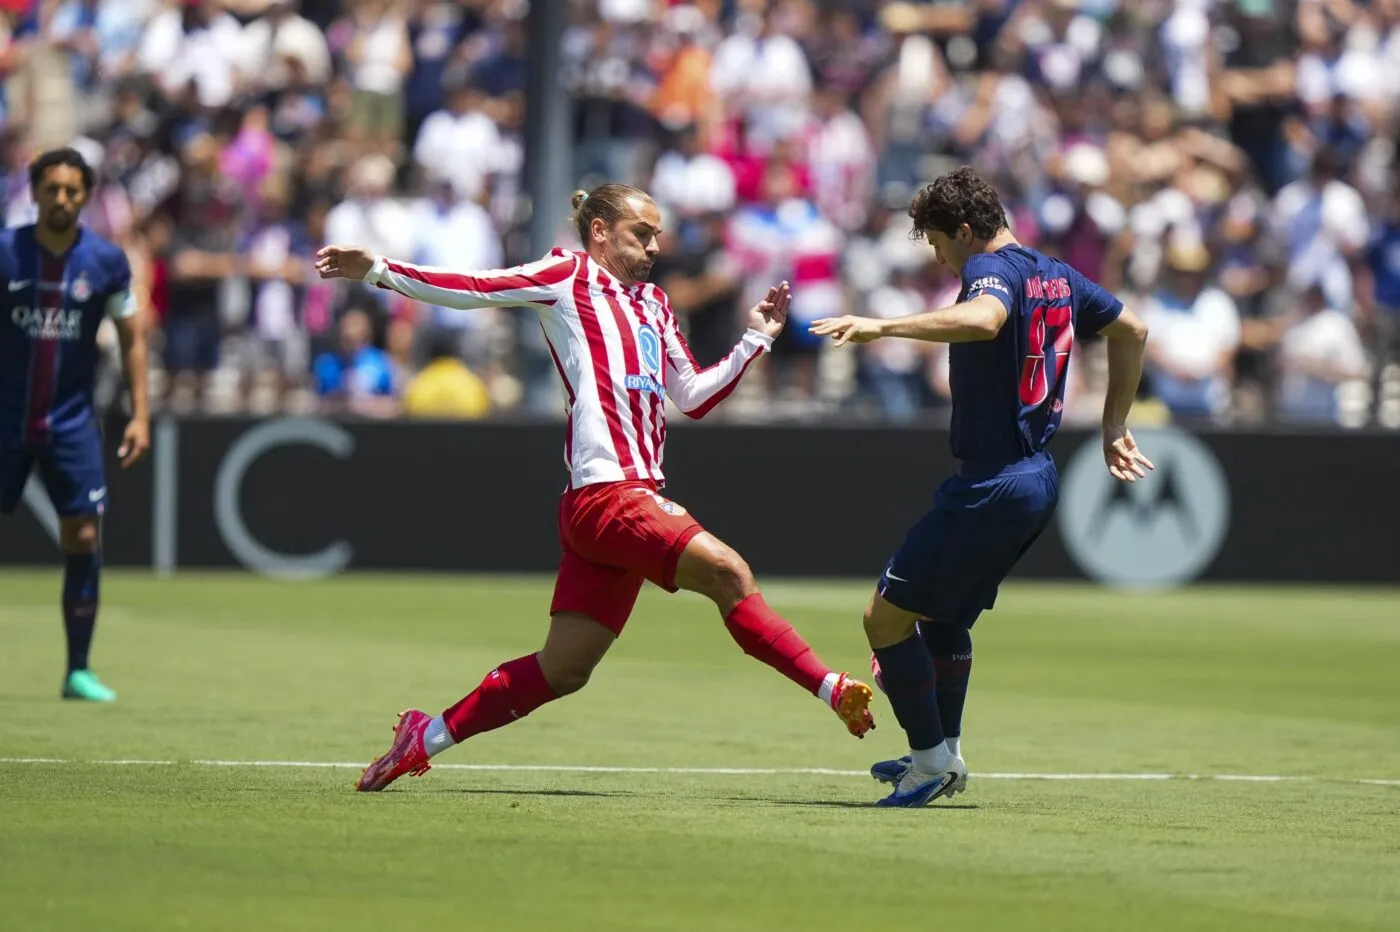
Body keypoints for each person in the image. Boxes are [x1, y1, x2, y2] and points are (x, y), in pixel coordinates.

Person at [315, 183, 876, 792]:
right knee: (728, 573)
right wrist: (377, 270)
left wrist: (755, 339)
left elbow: (692, 397)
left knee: (565, 668)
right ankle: (831, 686)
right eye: (643, 233)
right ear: (601, 231)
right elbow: (474, 288)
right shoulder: (566, 276)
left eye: (658, 234)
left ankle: (423, 737)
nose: (656, 246)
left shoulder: (655, 305)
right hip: (609, 493)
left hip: (616, 505)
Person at [810, 167, 1152, 807]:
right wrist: (1114, 425)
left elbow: (986, 318)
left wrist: (883, 327)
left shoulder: (990, 272)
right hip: (1036, 475)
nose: (939, 257)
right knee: (941, 620)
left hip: (994, 480)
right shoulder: (1055, 271)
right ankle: (946, 753)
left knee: (882, 620)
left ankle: (930, 759)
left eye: (939, 243)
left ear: (966, 231)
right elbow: (1132, 329)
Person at [0, 147, 151, 702]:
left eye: (71, 190)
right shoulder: (5, 252)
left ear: (85, 196)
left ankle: (78, 670)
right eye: (51, 189)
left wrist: (139, 414)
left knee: (84, 535)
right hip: (4, 416)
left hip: (70, 421)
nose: (61, 199)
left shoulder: (107, 262)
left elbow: (134, 339)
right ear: (34, 191)